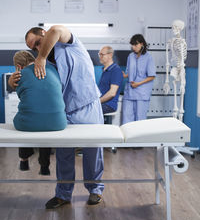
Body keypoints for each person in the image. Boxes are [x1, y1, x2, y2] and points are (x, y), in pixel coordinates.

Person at [21, 25, 104, 208]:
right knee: (63, 154)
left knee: (93, 152)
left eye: (36, 43)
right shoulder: (43, 64)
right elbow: (33, 83)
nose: (36, 49)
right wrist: (14, 81)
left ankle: (95, 190)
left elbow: (56, 29)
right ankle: (63, 195)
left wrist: (41, 57)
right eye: (33, 48)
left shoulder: (68, 43)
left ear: (43, 33)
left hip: (88, 104)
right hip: (66, 111)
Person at [9, 50, 67, 175]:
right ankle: (44, 167)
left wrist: (11, 82)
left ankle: (24, 160)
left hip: (28, 124)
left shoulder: (20, 74)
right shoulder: (52, 70)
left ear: (18, 66)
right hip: (58, 123)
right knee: (44, 125)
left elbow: (22, 94)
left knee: (27, 118)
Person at [122, 34, 156, 124]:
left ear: (141, 44)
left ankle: (138, 138)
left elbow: (152, 76)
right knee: (126, 119)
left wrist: (138, 84)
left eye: (135, 45)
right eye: (132, 45)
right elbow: (130, 72)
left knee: (140, 120)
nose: (133, 47)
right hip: (130, 92)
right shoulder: (130, 56)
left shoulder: (148, 57)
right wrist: (124, 75)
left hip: (142, 93)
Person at [98, 46, 123, 116]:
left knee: (86, 112)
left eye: (102, 54)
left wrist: (97, 102)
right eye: (99, 54)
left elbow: (112, 93)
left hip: (109, 105)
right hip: (102, 103)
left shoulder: (116, 70)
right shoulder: (105, 70)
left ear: (110, 55)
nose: (100, 57)